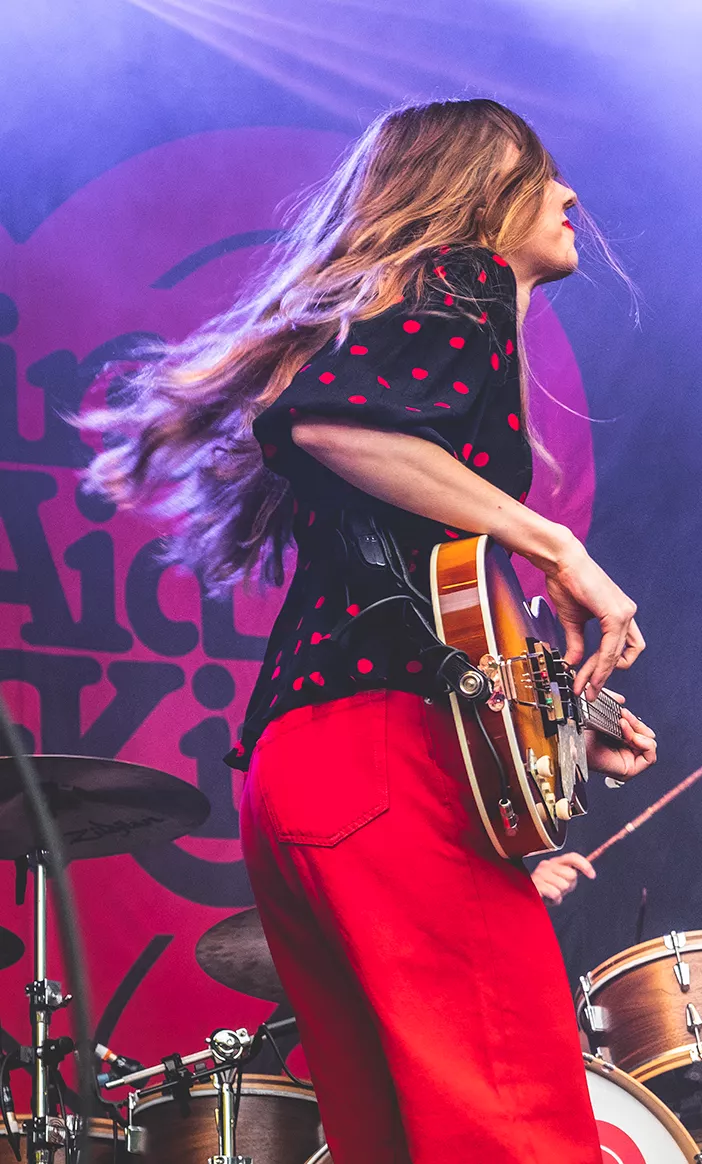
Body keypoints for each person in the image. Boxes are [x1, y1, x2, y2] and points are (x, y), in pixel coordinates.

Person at [84, 98, 655, 1164]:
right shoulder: (465, 282)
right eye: (538, 171)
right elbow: (332, 421)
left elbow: (420, 608)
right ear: (477, 194)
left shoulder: (423, 314)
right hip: (386, 764)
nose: (570, 193)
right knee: (512, 1131)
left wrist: (563, 723)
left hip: (306, 774)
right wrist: (555, 545)